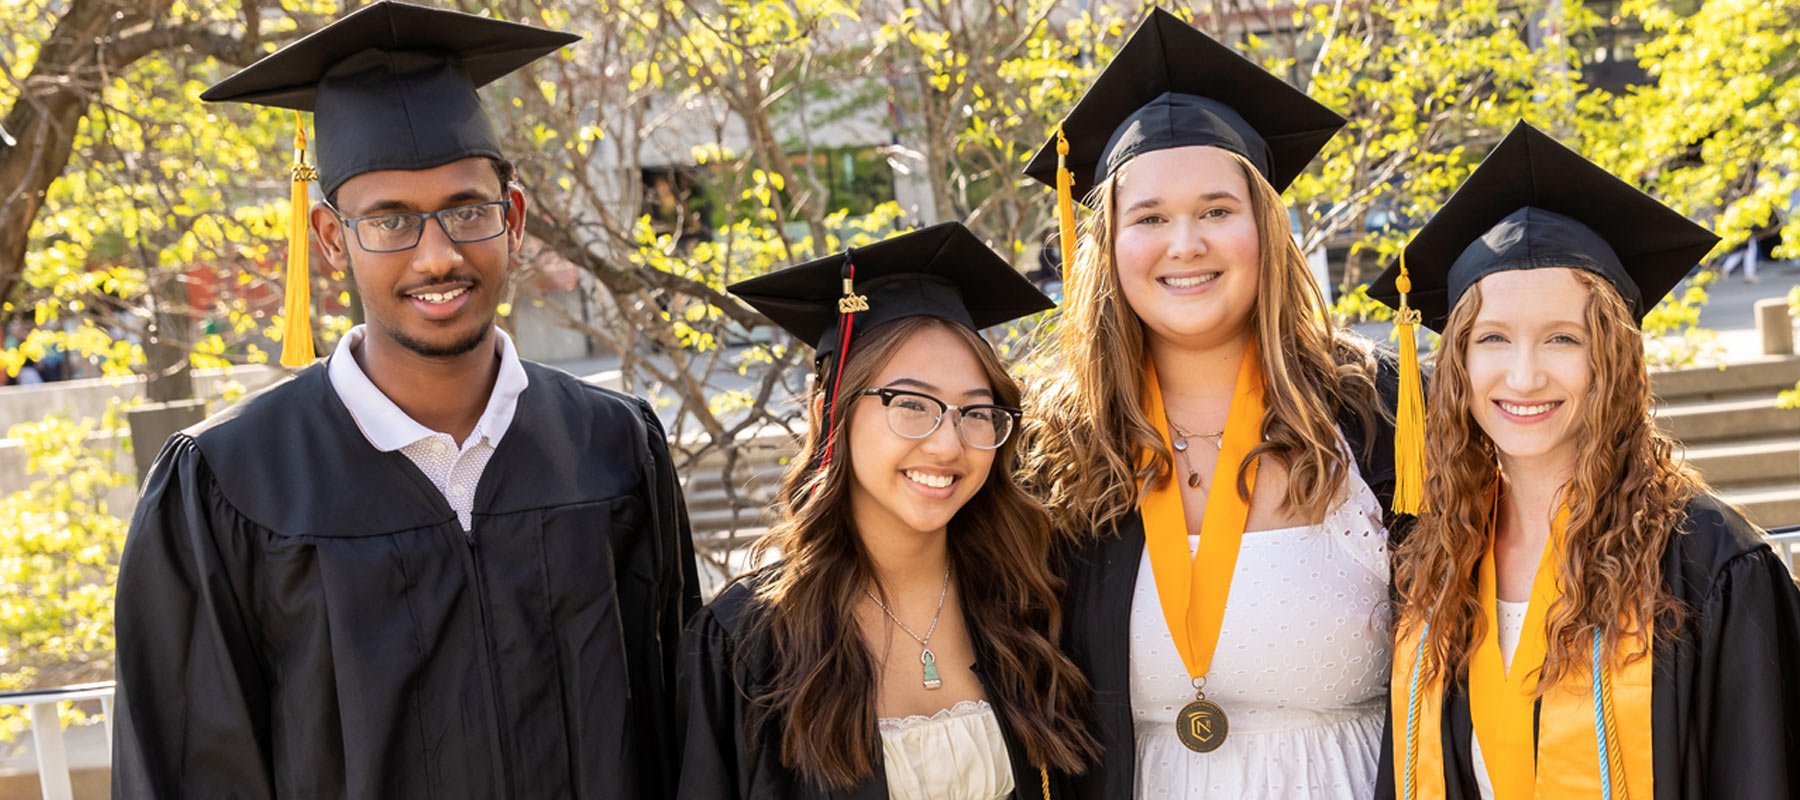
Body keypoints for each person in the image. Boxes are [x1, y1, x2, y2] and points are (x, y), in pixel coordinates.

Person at [111, 4, 699, 797]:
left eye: (466, 210)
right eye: (389, 220)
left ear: (514, 219)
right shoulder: (229, 484)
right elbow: (187, 769)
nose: (438, 255)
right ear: (329, 238)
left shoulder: (612, 449)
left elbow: (679, 734)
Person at [1018, 10, 1407, 799]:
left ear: (1265, 228)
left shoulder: (1379, 413)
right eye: (1150, 217)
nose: (1185, 243)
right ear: (1109, 244)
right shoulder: (1056, 448)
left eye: (1217, 211)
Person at [1369, 121, 1800, 800]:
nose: (1524, 374)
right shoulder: (1434, 562)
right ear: (1457, 363)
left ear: (1614, 358)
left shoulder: (1709, 564)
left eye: (1563, 339)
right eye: (1493, 339)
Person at [676, 222, 1100, 799]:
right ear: (832, 412)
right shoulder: (747, 645)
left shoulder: (1031, 602)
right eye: (911, 404)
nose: (948, 445)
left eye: (976, 412)